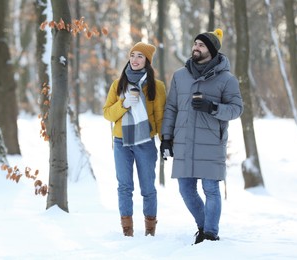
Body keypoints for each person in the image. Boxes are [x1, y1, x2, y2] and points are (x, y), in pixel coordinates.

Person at [160, 28, 243, 244]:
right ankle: (203, 226)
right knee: (186, 189)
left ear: (212, 50)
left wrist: (212, 107)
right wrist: (166, 138)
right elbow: (171, 108)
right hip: (184, 141)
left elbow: (236, 108)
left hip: (211, 142)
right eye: (195, 43)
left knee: (211, 189)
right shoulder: (180, 76)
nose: (196, 47)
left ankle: (210, 234)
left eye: (201, 45)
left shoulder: (226, 79)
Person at [103, 42, 166, 237]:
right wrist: (124, 104)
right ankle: (127, 231)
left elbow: (161, 116)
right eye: (132, 55)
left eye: (140, 56)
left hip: (145, 143)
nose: (135, 59)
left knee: (148, 188)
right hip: (121, 142)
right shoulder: (118, 84)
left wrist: (165, 141)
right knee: (124, 187)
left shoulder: (157, 87)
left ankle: (150, 230)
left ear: (147, 61)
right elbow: (107, 114)